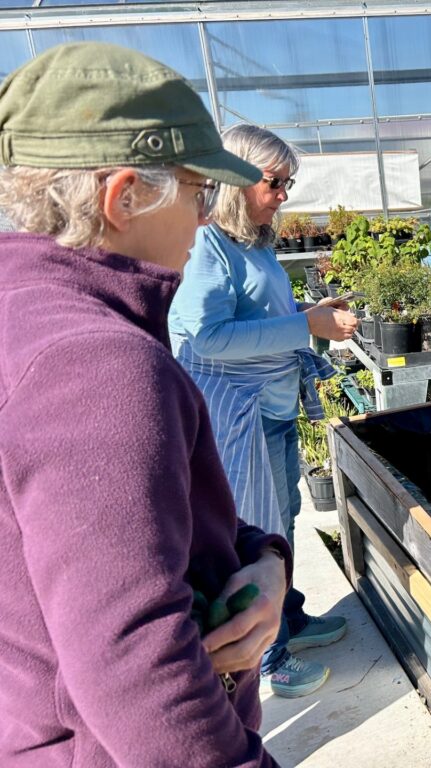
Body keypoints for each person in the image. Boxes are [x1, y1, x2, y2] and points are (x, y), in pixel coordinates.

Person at [0, 42, 289, 766]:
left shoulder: (22, 314)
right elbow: (133, 655)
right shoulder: (94, 363)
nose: (201, 220)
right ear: (123, 195)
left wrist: (261, 554)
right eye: (197, 194)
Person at [169, 124, 358, 698]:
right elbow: (205, 335)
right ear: (236, 177)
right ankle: (267, 658)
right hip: (236, 413)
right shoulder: (209, 245)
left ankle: (289, 616)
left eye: (288, 183)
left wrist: (309, 309)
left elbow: (260, 312)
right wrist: (306, 326)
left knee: (284, 516)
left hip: (269, 407)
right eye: (275, 182)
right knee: (252, 525)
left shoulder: (254, 240)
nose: (283, 195)